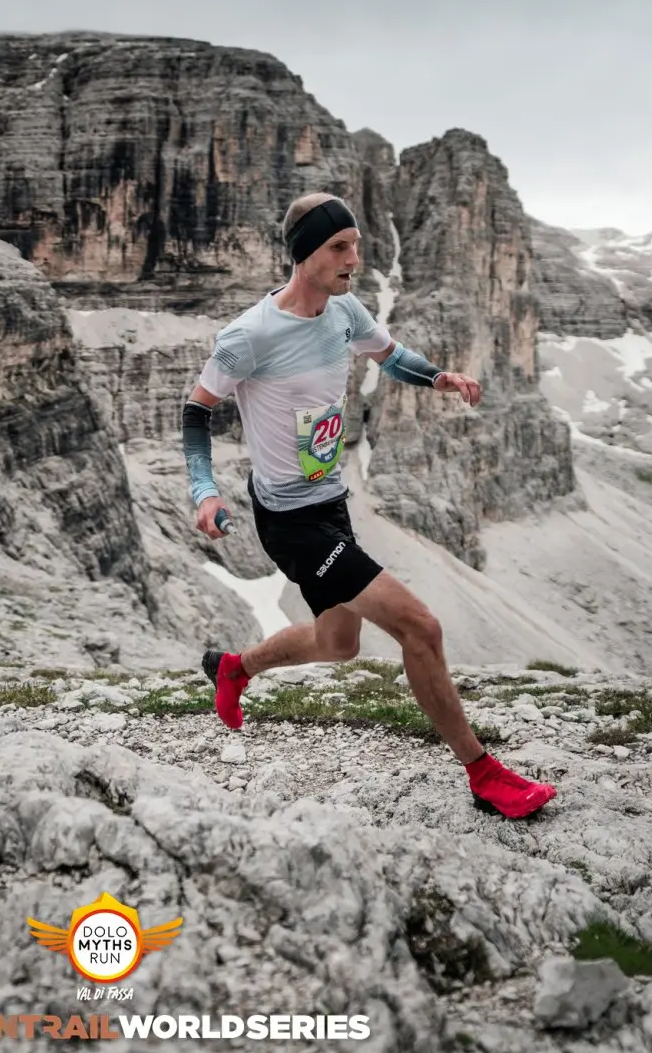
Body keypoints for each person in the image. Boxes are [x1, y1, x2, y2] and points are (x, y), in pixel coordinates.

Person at [181, 193, 557, 819]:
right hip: (290, 522)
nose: (354, 258)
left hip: (331, 502)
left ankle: (234, 669)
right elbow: (197, 411)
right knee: (420, 627)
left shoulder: (345, 310)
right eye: (340, 247)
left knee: (338, 644)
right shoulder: (249, 336)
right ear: (305, 252)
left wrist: (438, 377)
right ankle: (484, 774)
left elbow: (390, 355)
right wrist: (205, 491)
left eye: (356, 245)